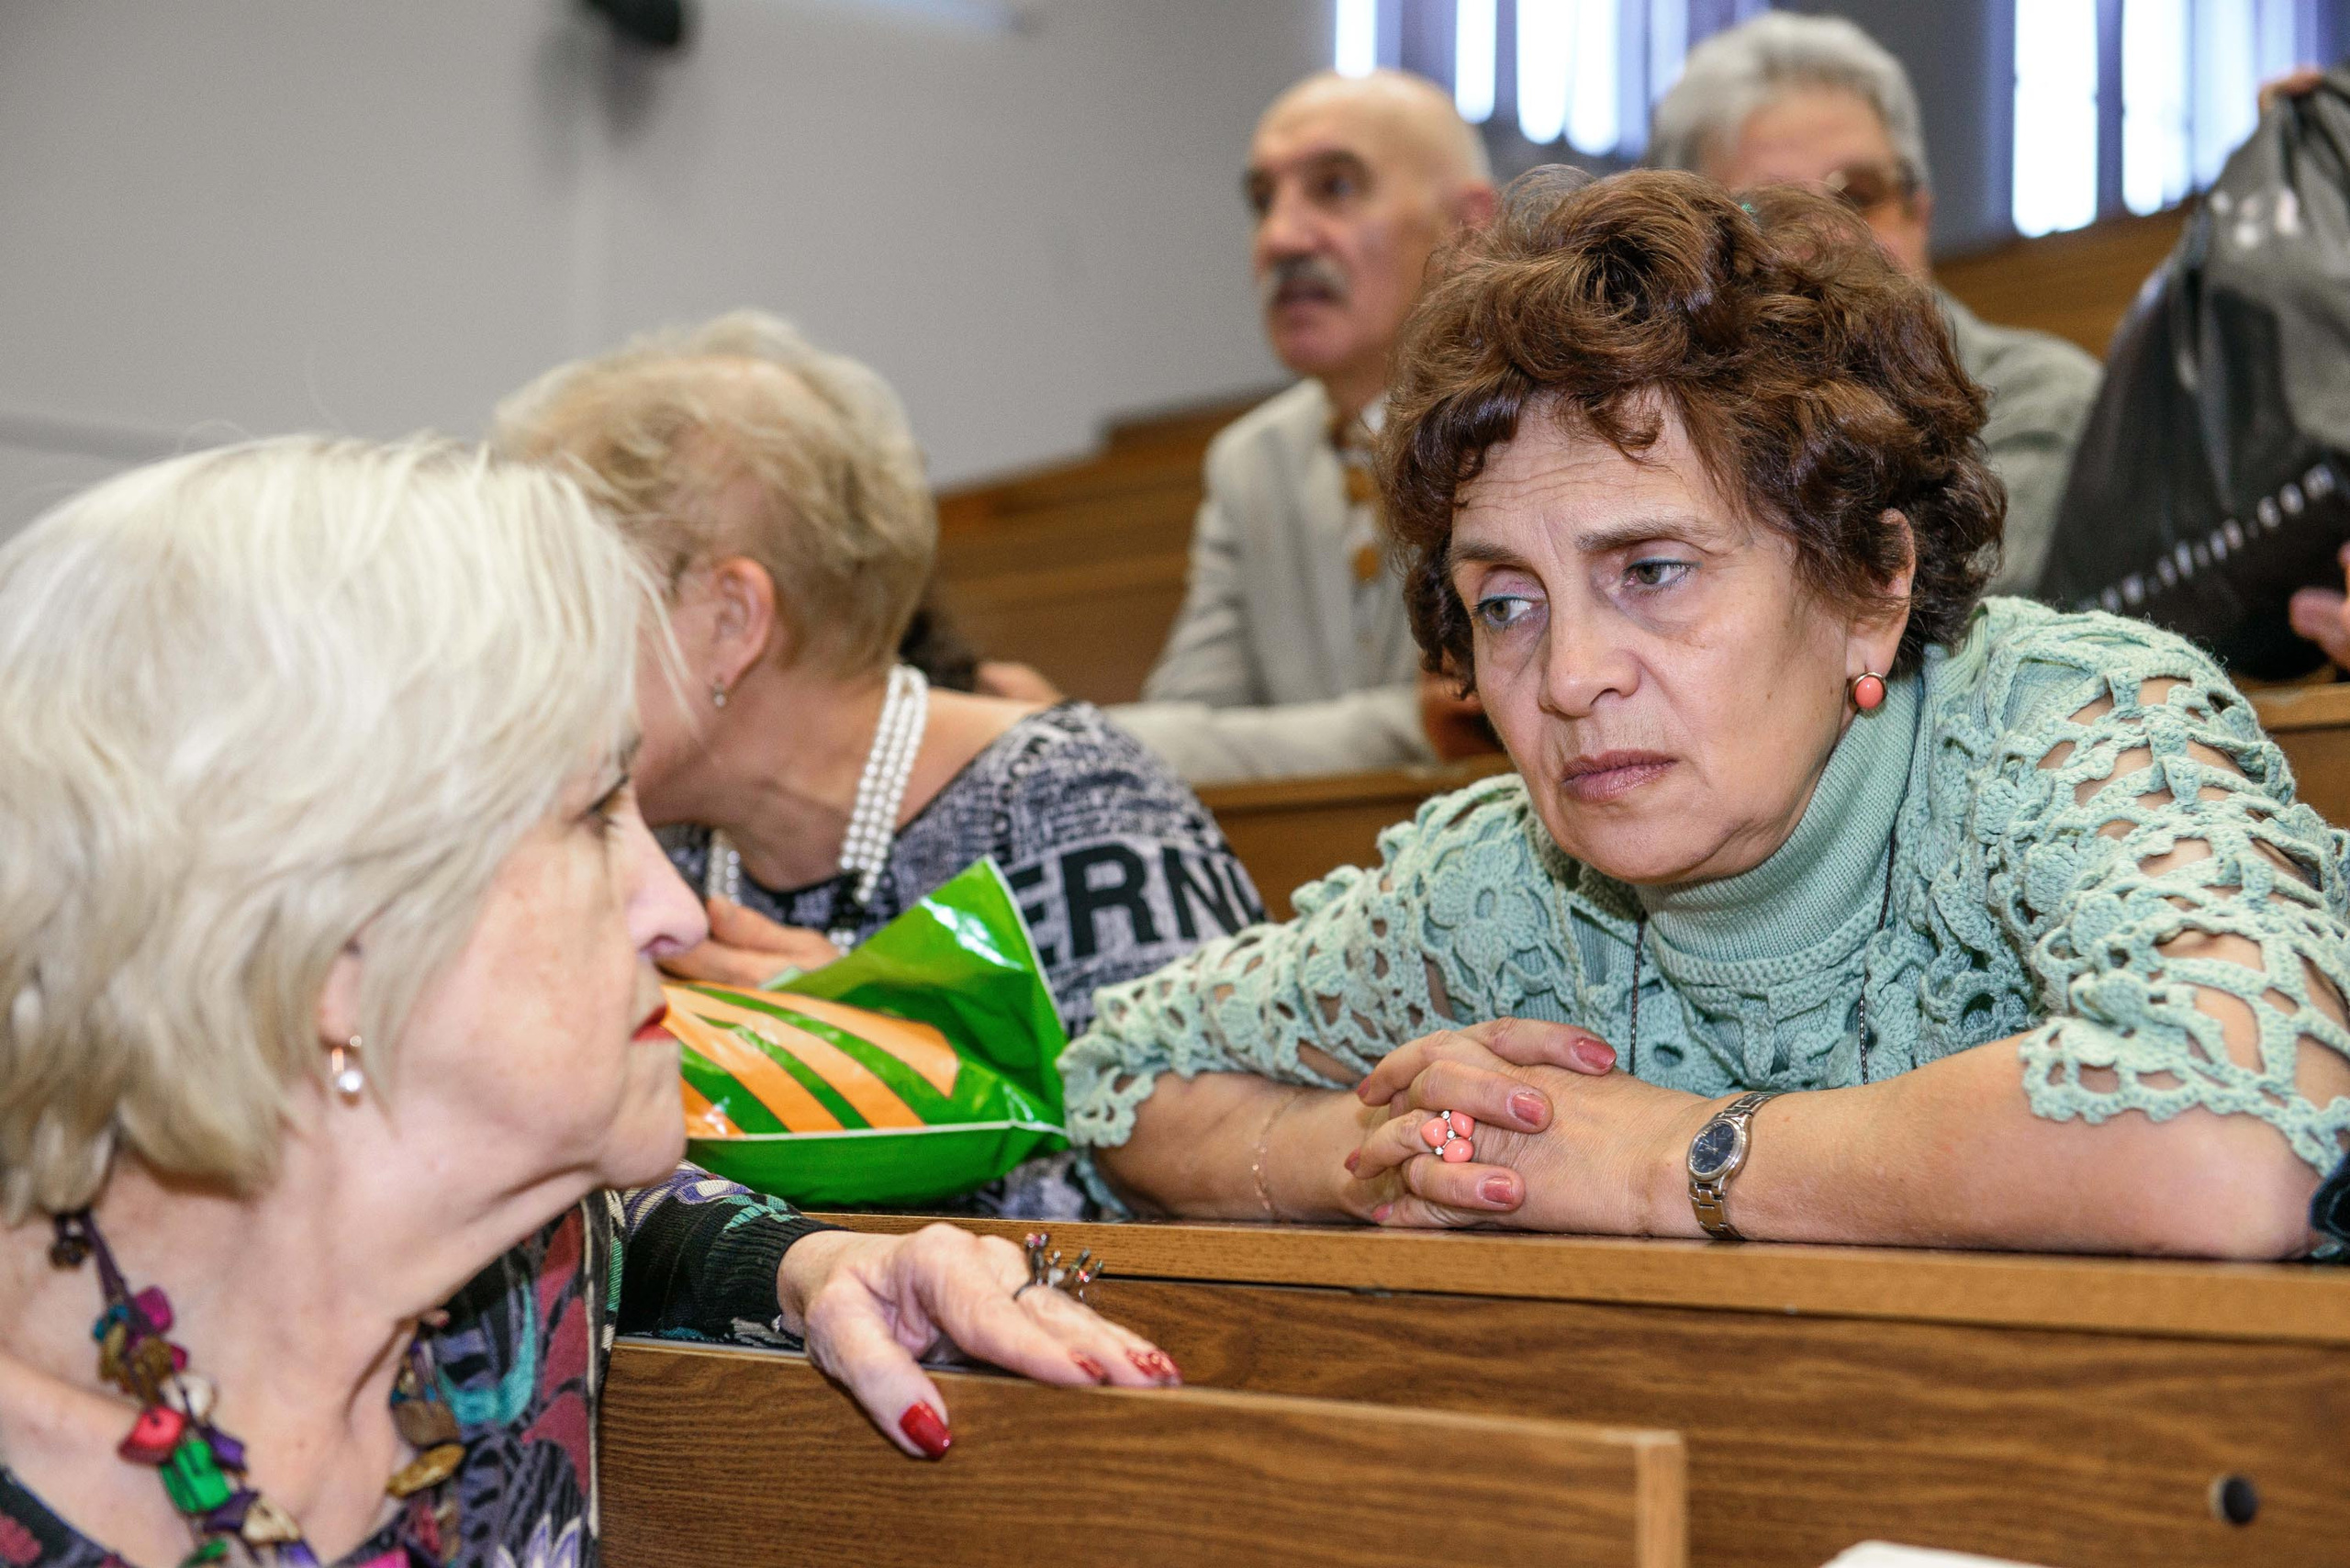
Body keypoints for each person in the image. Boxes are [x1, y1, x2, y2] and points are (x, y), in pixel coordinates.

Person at [1061, 169, 2350, 1260]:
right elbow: (1113, 1087)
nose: (1569, 678)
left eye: (1653, 572)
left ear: (1870, 581)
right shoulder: (1501, 881)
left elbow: (2244, 1141)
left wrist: (1671, 1157)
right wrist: (1381, 1153)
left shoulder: (2067, 727)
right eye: (1505, 603)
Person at [0, 439, 1179, 1567]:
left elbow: (645, 1219)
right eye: (591, 817)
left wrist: (818, 1266)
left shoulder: (516, 1265)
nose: (672, 909)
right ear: (322, 949)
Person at [491, 314, 1260, 1213]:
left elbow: (1206, 1181)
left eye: (566, 598)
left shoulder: (1072, 800)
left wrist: (883, 1060)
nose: (526, 653)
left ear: (732, 620)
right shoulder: (657, 851)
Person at [1081, 69, 1499, 784]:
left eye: (1335, 187)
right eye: (1261, 200)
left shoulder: (1529, 429)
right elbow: (1188, 731)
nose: (1280, 237)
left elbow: (1482, 722)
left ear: (1467, 227)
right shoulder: (1251, 461)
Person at [1649, 12, 2101, 595]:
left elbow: (1935, 633)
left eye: (1859, 196)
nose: (1832, 237)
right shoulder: (1655, 420)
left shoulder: (2041, 398)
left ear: (1921, 216)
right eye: (1773, 209)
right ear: (1694, 256)